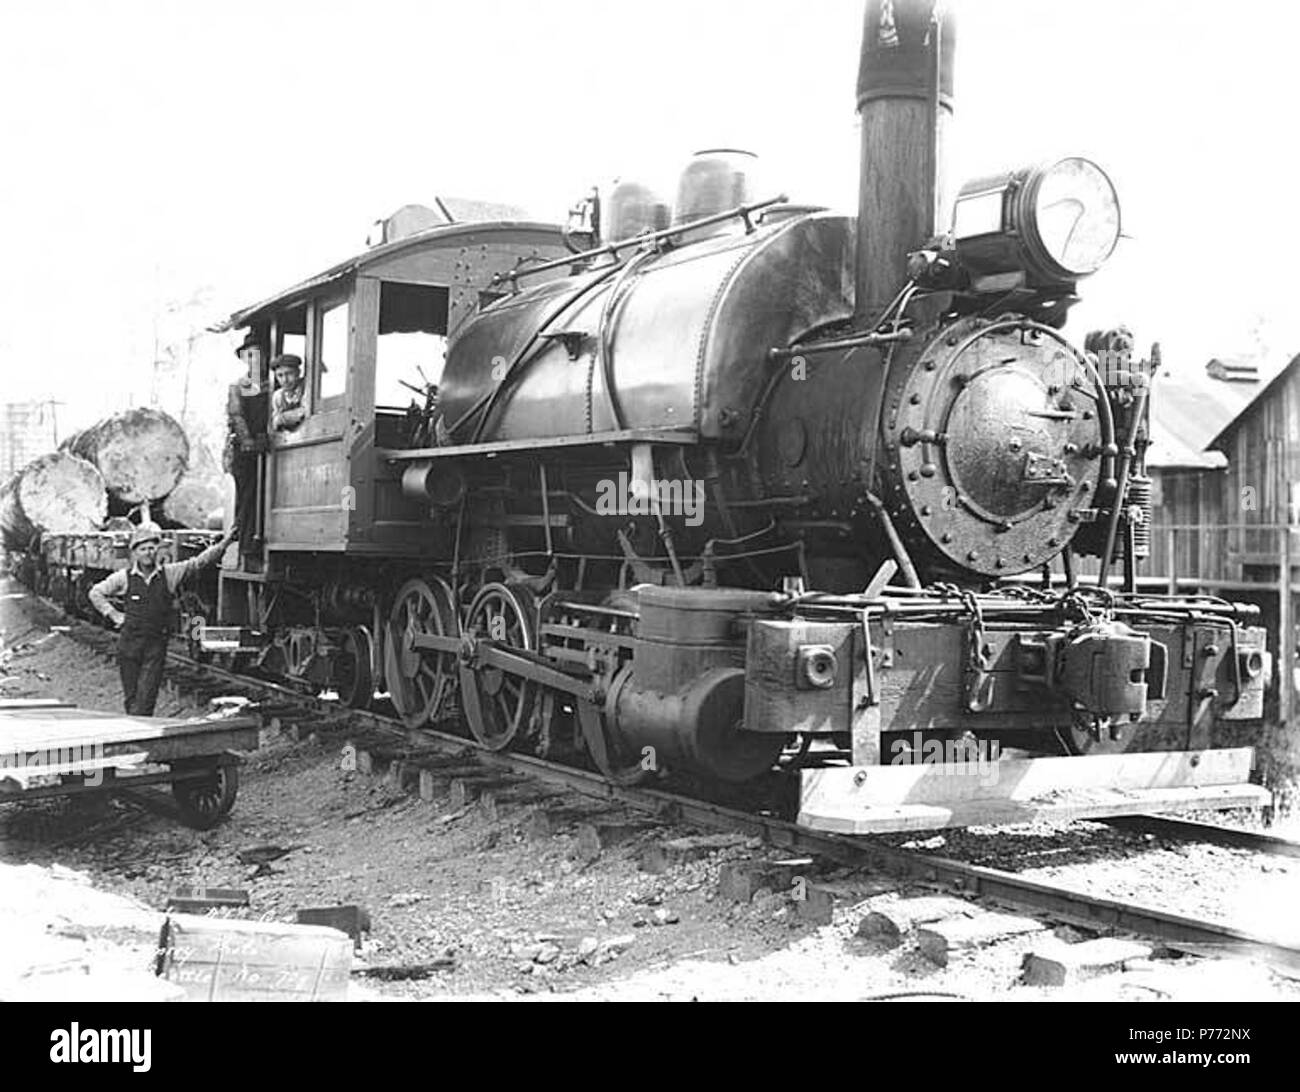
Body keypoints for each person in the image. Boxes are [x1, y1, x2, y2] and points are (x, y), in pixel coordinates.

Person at [88, 522, 237, 716]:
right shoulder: (123, 578)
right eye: (143, 549)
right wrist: (114, 614)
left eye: (151, 548)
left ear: (157, 550)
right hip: (129, 646)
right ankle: (135, 736)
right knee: (131, 697)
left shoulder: (170, 574)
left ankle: (140, 736)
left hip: (154, 646)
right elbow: (95, 593)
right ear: (135, 553)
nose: (148, 553)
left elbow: (198, 563)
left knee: (146, 697)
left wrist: (225, 544)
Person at [225, 332, 268, 564]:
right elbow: (237, 415)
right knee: (248, 496)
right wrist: (248, 440)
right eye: (250, 356)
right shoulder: (238, 387)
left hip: (267, 447)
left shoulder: (272, 385)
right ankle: (246, 545)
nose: (255, 360)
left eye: (258, 355)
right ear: (244, 359)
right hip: (246, 452)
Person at [270, 353, 307, 432]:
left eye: (289, 373)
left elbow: (307, 412)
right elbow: (275, 422)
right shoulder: (278, 396)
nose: (285, 380)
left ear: (298, 373)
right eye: (280, 375)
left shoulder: (307, 387)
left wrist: (283, 417)